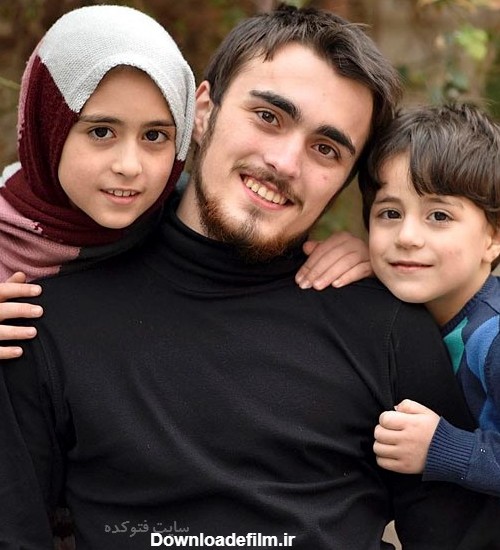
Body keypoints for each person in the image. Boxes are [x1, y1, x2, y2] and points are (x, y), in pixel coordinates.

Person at [1, 5, 499, 549]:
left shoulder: (387, 324)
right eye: (268, 116)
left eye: (326, 149)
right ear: (203, 111)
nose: (286, 162)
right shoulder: (34, 315)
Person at [0, 3, 196, 358]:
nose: (129, 166)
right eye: (102, 131)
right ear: (48, 128)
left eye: (154, 136)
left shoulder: (190, 227)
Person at [355, 103, 500, 497]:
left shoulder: (493, 338)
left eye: (439, 216)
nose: (407, 237)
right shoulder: (417, 304)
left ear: (493, 238)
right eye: (389, 213)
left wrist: (443, 448)